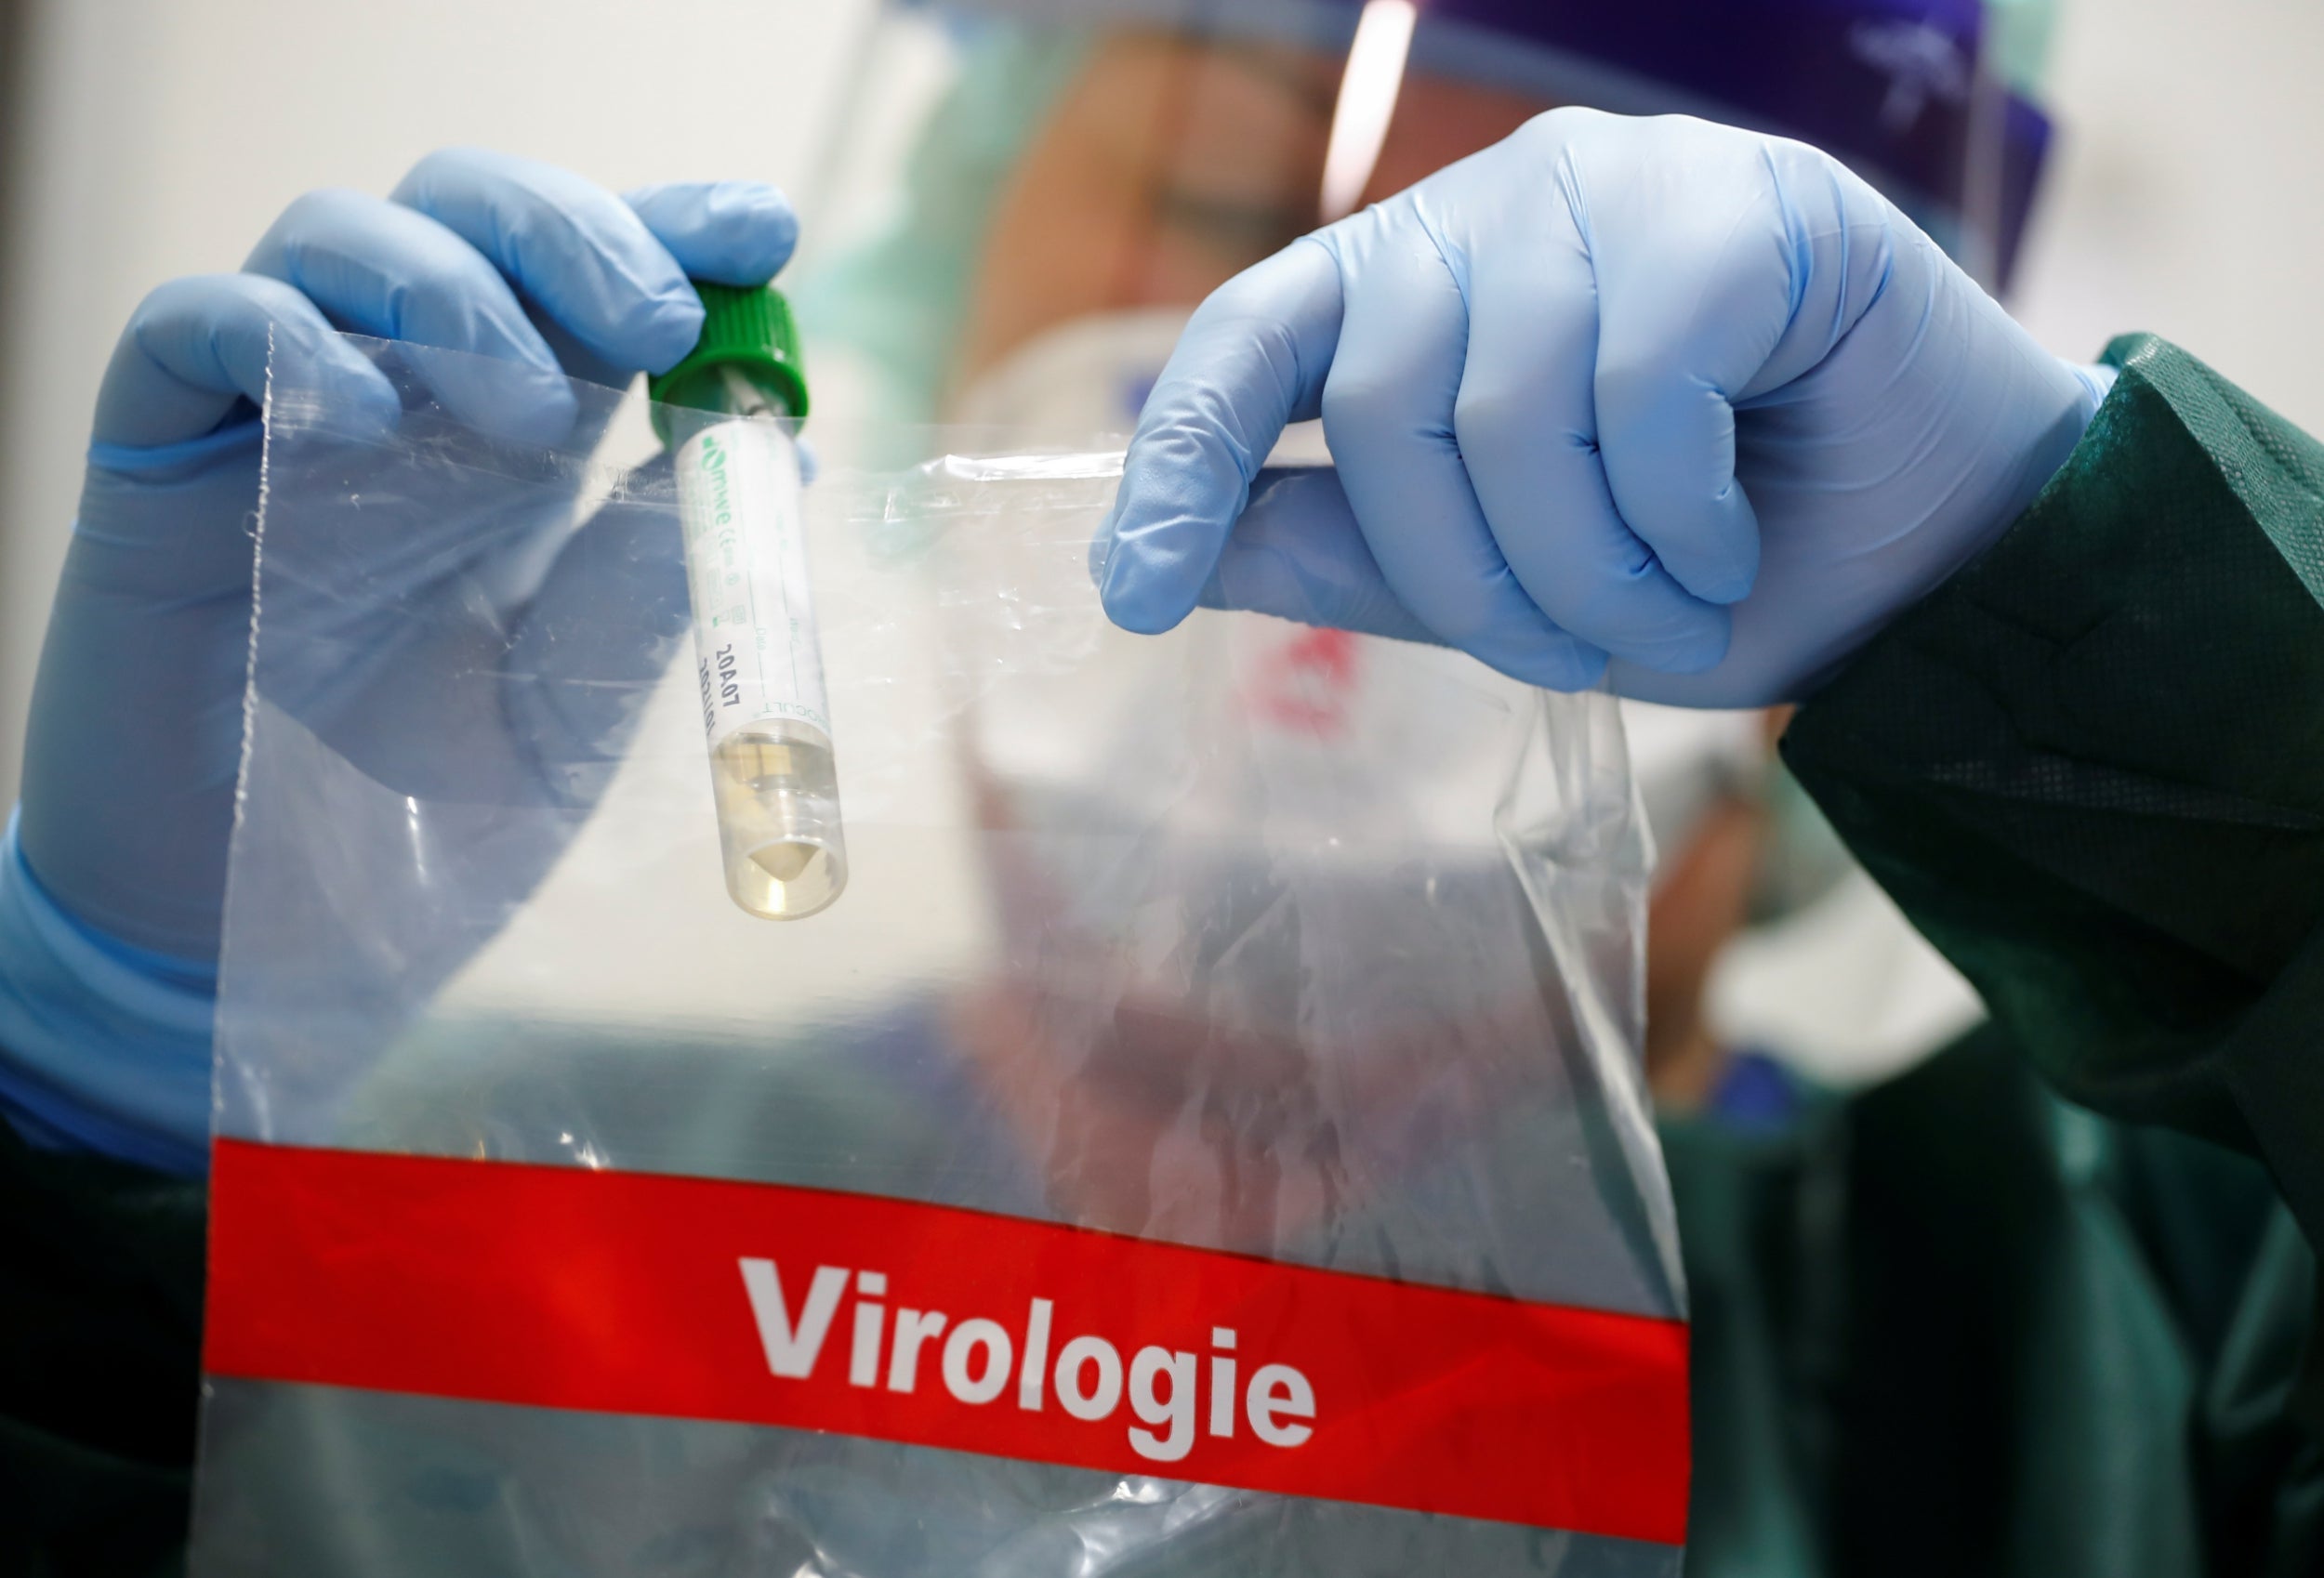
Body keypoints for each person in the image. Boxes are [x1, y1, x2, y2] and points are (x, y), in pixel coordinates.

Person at [6, 5, 2322, 1576]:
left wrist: (2143, 646)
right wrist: (77, 1195)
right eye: (1227, 220)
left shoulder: (2125, 1346)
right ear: (958, 247)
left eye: (1598, 323)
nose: (1382, 388)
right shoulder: (488, 1243)